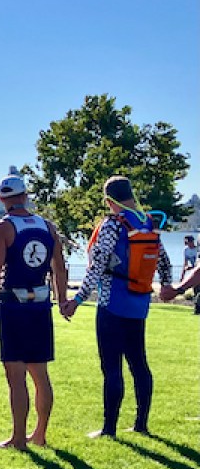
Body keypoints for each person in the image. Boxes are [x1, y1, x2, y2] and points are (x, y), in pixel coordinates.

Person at [62, 176, 173, 437]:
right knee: (139, 363)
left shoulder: (113, 224)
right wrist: (167, 286)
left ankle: (109, 428)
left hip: (112, 303)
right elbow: (164, 262)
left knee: (112, 366)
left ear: (109, 200)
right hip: (139, 303)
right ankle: (141, 424)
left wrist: (78, 299)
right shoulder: (147, 224)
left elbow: (98, 265)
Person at [0, 174, 68, 450]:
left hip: (14, 305)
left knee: (16, 376)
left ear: (1, 199)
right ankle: (40, 434)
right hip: (41, 305)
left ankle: (18, 438)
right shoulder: (48, 226)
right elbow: (59, 267)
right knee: (40, 375)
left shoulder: (1, 228)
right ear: (25, 195)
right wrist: (63, 299)